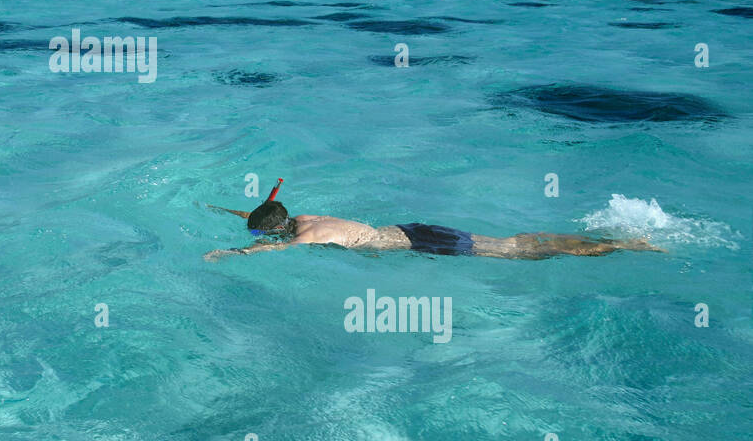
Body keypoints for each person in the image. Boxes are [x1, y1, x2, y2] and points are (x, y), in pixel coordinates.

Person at [204, 197, 663, 261]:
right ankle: (613, 242)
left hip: (417, 242)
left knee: (513, 251)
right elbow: (275, 224)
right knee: (512, 242)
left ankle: (619, 244)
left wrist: (233, 253)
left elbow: (275, 249)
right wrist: (232, 214)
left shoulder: (302, 237)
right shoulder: (304, 220)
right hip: (409, 227)